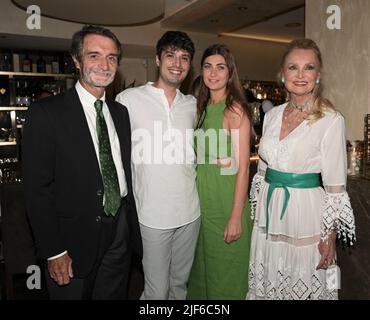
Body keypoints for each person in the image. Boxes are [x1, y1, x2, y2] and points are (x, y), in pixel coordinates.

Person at [22, 25, 142, 300]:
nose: (104, 64)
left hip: (119, 231)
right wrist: (54, 250)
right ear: (76, 60)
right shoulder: (46, 113)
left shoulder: (120, 113)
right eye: (94, 56)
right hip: (71, 240)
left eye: (111, 57)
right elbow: (37, 190)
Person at [247, 39, 356, 300]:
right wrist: (258, 210)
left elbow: (335, 186)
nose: (300, 75)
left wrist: (328, 236)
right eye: (293, 67)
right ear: (282, 74)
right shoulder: (272, 115)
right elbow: (262, 172)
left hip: (306, 214)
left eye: (308, 68)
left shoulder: (331, 119)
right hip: (270, 212)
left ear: (318, 76)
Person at [115, 31, 200, 300]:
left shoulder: (194, 105)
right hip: (151, 215)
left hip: (190, 212)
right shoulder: (128, 99)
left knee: (179, 287)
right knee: (156, 290)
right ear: (157, 59)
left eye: (184, 58)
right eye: (171, 55)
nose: (178, 63)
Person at [187, 43, 253, 299]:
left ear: (230, 72)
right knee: (203, 274)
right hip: (203, 203)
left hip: (226, 202)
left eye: (220, 67)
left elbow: (242, 168)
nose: (213, 73)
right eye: (207, 67)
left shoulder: (233, 109)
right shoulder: (201, 109)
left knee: (226, 277)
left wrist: (236, 216)